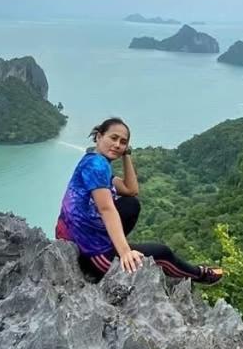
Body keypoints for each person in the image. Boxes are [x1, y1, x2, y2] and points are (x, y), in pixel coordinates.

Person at [56, 117, 223, 284]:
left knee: (130, 205)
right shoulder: (96, 166)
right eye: (113, 138)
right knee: (163, 253)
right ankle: (200, 275)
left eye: (123, 142)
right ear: (99, 136)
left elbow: (131, 190)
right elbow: (106, 209)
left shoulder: (94, 160)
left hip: (79, 236)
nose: (117, 145)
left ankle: (115, 248)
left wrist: (126, 155)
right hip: (88, 250)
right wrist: (125, 252)